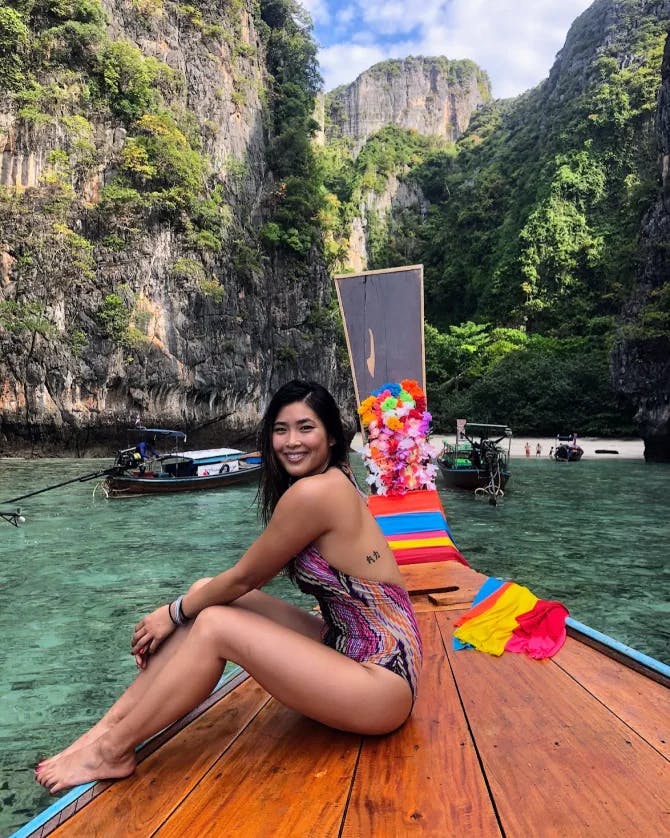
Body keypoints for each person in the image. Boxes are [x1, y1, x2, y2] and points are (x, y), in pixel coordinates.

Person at [35, 380, 423, 793]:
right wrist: (185, 607)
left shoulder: (317, 493)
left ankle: (112, 751)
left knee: (214, 622)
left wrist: (170, 613)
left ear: (331, 435)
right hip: (346, 642)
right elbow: (231, 584)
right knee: (204, 592)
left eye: (305, 428)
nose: (291, 441)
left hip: (383, 679)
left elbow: (244, 578)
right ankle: (104, 732)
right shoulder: (331, 479)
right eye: (280, 429)